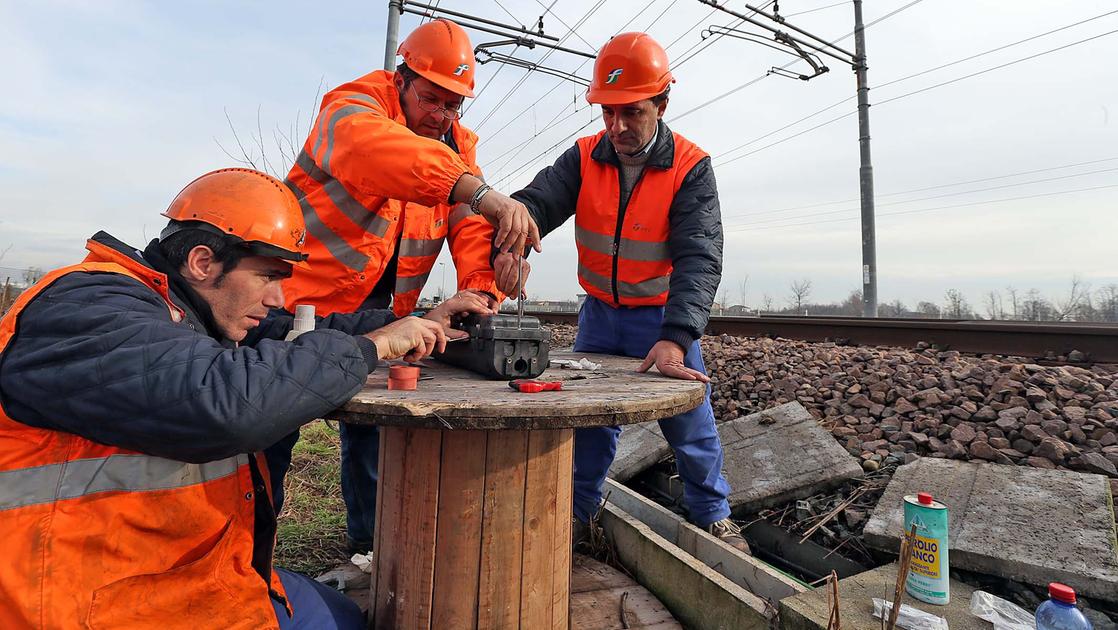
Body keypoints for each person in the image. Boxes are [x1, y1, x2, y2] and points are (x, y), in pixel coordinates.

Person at [0, 168, 488, 628]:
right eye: (267, 276)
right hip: (81, 603)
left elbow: (295, 337)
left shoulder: (184, 314)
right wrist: (373, 348)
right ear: (202, 261)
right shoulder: (86, 308)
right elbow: (225, 405)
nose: (278, 298)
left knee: (346, 613)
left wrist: (425, 319)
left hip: (179, 576)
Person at [275, 18, 541, 554]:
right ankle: (248, 550)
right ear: (401, 79)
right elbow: (384, 154)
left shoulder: (456, 152)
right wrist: (478, 191)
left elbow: (470, 231)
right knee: (270, 426)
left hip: (380, 317)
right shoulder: (351, 109)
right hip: (291, 311)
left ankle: (368, 551)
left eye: (453, 106)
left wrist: (491, 283)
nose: (441, 116)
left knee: (374, 436)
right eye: (431, 100)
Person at [502, 33, 747, 550]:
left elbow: (700, 256)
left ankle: (714, 519)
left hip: (659, 320)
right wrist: (511, 244)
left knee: (690, 420)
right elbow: (535, 205)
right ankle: (577, 520)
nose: (616, 127)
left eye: (630, 112)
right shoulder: (585, 156)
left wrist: (677, 337)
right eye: (607, 112)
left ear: (661, 103)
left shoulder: (690, 167)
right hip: (599, 315)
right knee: (590, 426)